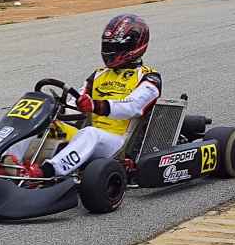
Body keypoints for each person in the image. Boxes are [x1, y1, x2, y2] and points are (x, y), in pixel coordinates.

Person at [22, 14, 161, 178]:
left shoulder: (150, 78)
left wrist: (96, 105)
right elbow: (77, 102)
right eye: (107, 46)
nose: (110, 51)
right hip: (85, 138)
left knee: (90, 133)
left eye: (115, 47)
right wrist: (57, 109)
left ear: (134, 46)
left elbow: (133, 107)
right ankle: (4, 159)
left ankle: (48, 172)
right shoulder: (99, 75)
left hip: (117, 143)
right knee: (38, 124)